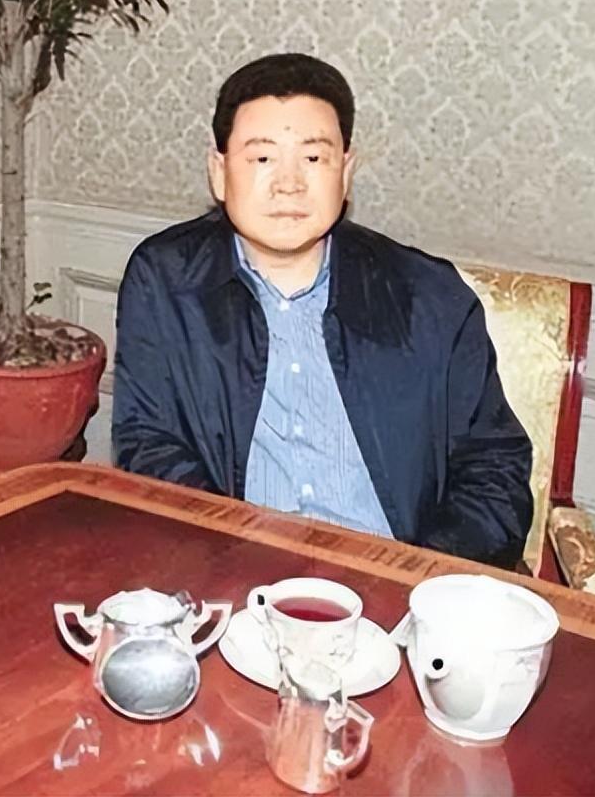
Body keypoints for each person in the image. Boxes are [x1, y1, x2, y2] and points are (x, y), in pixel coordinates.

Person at [112, 53, 532, 568]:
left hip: (395, 583)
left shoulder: (429, 297)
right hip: (234, 572)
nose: (288, 183)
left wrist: (415, 575)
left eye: (313, 158)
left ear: (346, 173)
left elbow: (494, 470)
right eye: (262, 159)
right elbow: (149, 447)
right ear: (219, 173)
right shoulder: (165, 281)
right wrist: (230, 554)